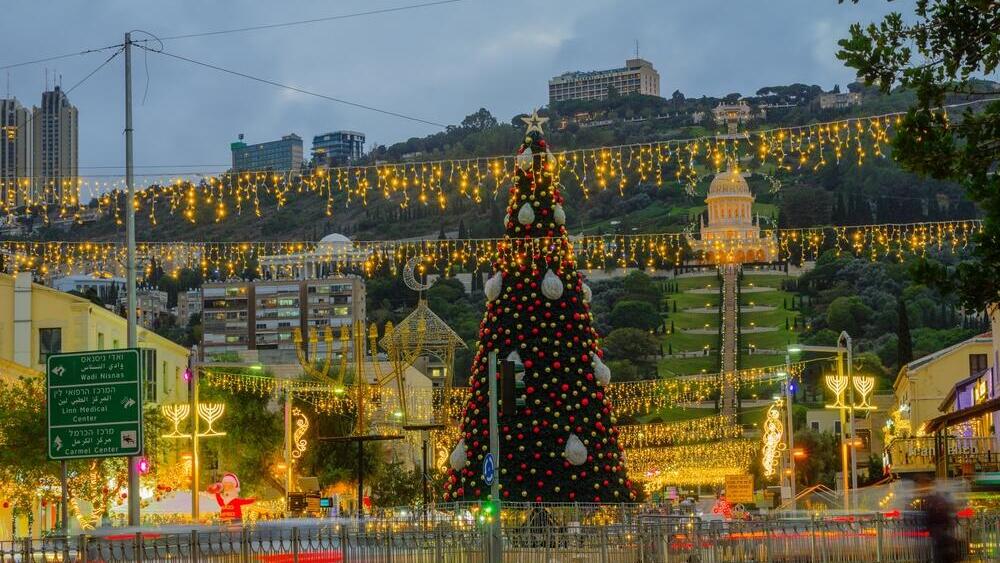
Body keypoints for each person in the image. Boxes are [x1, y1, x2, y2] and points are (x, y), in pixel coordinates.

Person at [915, 473, 959, 562]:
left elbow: (939, 515)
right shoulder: (931, 498)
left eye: (921, 484)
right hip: (937, 533)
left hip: (938, 533)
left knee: (939, 555)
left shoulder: (934, 498)